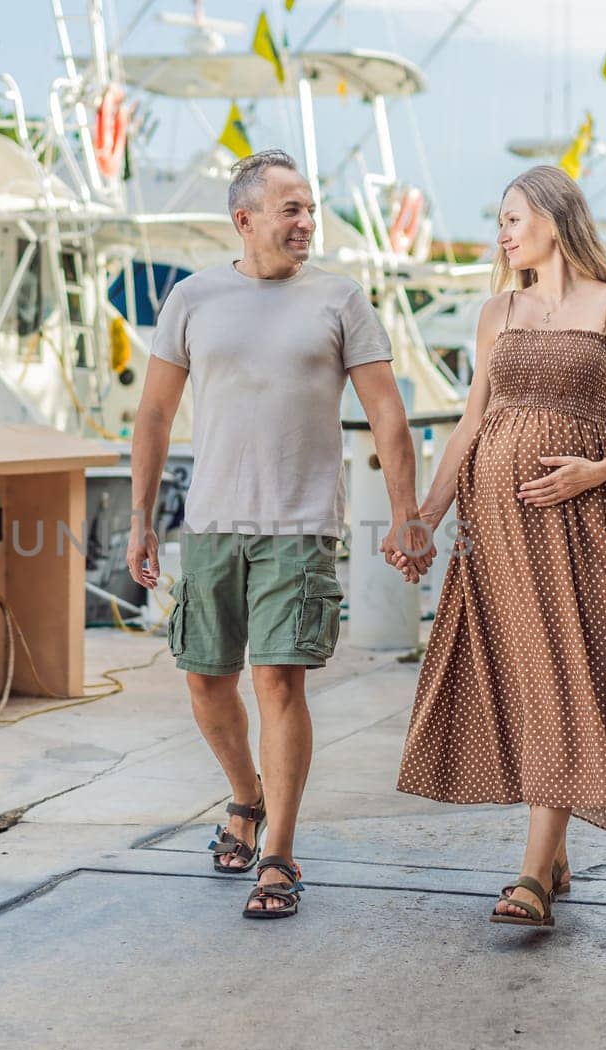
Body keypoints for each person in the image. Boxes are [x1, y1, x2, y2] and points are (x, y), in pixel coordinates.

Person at [129, 149, 434, 919]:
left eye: (308, 208)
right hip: (211, 524)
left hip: (298, 527)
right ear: (246, 219)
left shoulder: (340, 299)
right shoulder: (193, 298)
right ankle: (245, 796)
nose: (306, 222)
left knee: (279, 680)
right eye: (290, 209)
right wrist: (140, 518)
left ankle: (280, 854)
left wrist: (407, 512)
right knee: (205, 680)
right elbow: (156, 415)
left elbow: (388, 414)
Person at [391, 165, 606, 928]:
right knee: (518, 676)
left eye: (513, 217)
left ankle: (530, 878)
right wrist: (424, 515)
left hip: (575, 521)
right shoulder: (497, 313)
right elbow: (471, 423)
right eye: (500, 221)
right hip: (494, 523)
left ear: (554, 216)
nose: (503, 232)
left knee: (561, 671)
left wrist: (594, 471)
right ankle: (552, 847)